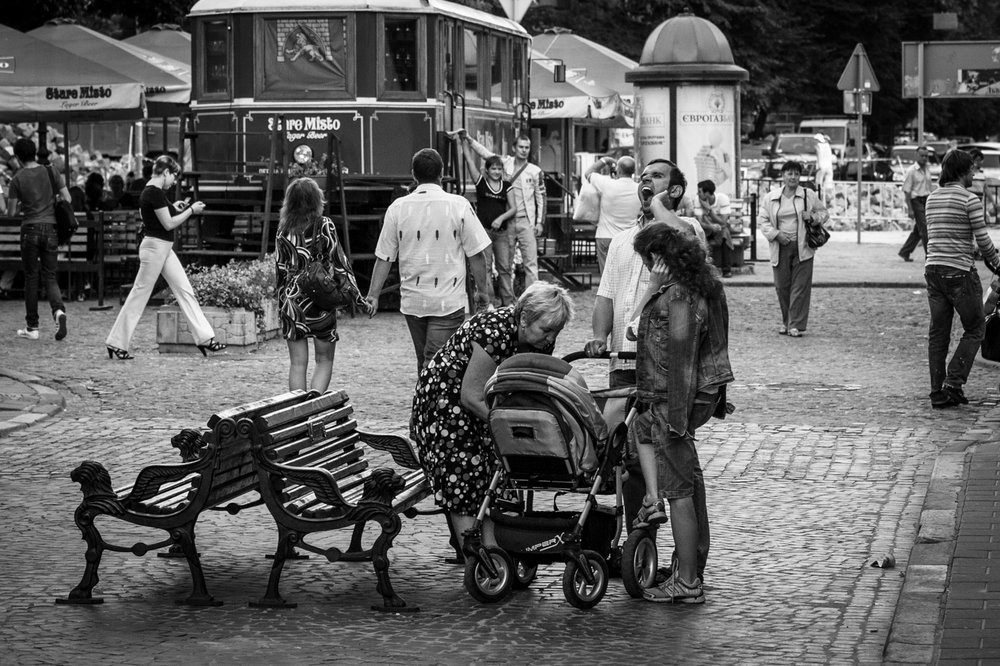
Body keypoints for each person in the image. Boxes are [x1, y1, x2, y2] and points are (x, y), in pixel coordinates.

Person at [585, 158, 711, 581]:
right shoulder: (623, 240)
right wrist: (600, 337)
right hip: (625, 362)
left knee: (678, 465)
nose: (645, 181)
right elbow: (607, 295)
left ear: (673, 191)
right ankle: (640, 549)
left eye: (656, 177)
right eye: (643, 176)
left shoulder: (686, 230)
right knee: (632, 460)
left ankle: (691, 561)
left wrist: (660, 204)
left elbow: (686, 243)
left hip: (666, 369)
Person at [410, 281, 574, 555]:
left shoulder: (539, 338)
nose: (550, 338)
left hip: (483, 404)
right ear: (523, 319)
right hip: (445, 405)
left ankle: (493, 549)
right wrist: (509, 426)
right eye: (546, 330)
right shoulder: (494, 331)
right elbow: (471, 396)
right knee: (462, 477)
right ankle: (474, 555)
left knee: (496, 475)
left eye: (556, 331)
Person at [627, 222, 733, 604]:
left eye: (645, 262)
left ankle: (688, 581)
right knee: (639, 430)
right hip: (672, 397)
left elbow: (682, 362)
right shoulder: (694, 287)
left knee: (680, 490)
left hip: (676, 399)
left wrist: (676, 421)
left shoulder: (678, 298)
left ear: (656, 260)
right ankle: (653, 501)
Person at [365, 148, 492, 374]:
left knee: (427, 361)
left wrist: (373, 295)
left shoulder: (397, 208)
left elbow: (384, 257)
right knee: (434, 363)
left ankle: (426, 405)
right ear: (441, 173)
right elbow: (477, 254)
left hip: (413, 300)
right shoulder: (459, 205)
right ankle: (430, 406)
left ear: (413, 175)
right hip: (449, 299)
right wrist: (482, 292)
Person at [105, 156, 226, 360]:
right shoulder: (154, 193)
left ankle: (205, 338)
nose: (174, 181)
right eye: (174, 176)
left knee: (184, 290)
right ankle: (116, 342)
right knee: (140, 295)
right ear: (166, 172)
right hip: (156, 248)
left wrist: (176, 206)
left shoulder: (153, 192)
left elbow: (161, 217)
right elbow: (169, 224)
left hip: (161, 248)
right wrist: (190, 211)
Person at [275, 177, 375, 392]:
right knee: (324, 360)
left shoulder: (283, 230)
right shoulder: (324, 225)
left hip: (292, 302)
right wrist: (359, 299)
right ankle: (314, 407)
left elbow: (280, 270)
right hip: (320, 300)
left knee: (297, 364)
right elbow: (340, 265)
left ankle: (297, 415)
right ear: (316, 200)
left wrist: (281, 304)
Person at [923, 149, 1000, 408]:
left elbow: (942, 233)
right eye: (972, 170)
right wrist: (998, 264)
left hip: (933, 270)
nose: (975, 173)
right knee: (976, 328)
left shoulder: (932, 198)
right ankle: (954, 382)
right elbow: (984, 241)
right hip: (960, 274)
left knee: (938, 333)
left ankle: (937, 392)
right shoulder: (969, 200)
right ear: (962, 172)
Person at [6, 138, 71, 341]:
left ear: (17, 157)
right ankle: (58, 311)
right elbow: (67, 198)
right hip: (51, 229)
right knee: (50, 276)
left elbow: (10, 212)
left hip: (29, 230)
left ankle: (32, 327)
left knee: (31, 278)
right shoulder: (51, 171)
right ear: (35, 152)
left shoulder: (16, 179)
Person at [464, 131, 546, 289]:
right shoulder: (505, 163)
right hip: (507, 221)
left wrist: (540, 222)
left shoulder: (535, 171)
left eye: (527, 147)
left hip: (526, 220)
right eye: (521, 147)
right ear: (514, 148)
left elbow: (541, 197)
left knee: (531, 262)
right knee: (505, 264)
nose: (524, 150)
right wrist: (469, 140)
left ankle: (532, 298)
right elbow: (485, 154)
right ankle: (507, 299)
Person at [757, 160, 829, 338]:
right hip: (780, 246)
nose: (793, 177)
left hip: (802, 246)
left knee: (800, 287)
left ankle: (795, 324)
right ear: (783, 176)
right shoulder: (771, 197)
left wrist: (812, 217)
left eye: (796, 174)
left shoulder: (808, 195)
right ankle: (786, 321)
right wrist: (775, 234)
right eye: (789, 173)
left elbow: (824, 213)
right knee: (782, 286)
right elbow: (763, 221)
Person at [455, 135, 517, 305]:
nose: (497, 172)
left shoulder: (506, 186)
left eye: (499, 169)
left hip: (501, 232)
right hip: (484, 231)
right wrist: (464, 143)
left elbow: (513, 208)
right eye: (494, 169)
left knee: (504, 268)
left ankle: (508, 301)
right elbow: (469, 162)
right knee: (486, 267)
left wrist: (501, 218)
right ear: (487, 170)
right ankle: (488, 301)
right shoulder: (481, 182)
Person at [584, 155, 641, 274]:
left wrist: (605, 160)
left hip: (605, 236)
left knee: (606, 278)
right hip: (628, 237)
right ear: (633, 171)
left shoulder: (606, 184)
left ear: (618, 170)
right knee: (625, 275)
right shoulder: (638, 189)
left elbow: (588, 172)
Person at [898, 145, 936, 262]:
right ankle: (929, 256)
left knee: (918, 230)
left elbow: (929, 187)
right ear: (916, 156)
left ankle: (905, 251)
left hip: (926, 200)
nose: (924, 158)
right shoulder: (911, 171)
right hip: (916, 201)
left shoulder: (927, 169)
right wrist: (910, 208)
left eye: (926, 156)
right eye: (922, 156)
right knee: (925, 229)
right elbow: (907, 190)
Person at [696, 179, 734, 278]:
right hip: (706, 228)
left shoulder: (722, 199)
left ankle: (726, 270)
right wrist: (711, 226)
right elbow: (700, 222)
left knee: (725, 234)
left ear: (707, 193)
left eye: (700, 191)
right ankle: (703, 270)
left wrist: (709, 210)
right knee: (697, 235)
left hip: (720, 229)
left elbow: (723, 221)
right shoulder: (697, 200)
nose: (698, 193)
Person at [813, 133, 834, 202]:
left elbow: (819, 156)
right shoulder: (828, 145)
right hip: (829, 167)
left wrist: (818, 166)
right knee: (828, 182)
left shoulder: (818, 146)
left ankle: (819, 198)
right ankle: (828, 198)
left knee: (818, 182)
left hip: (821, 167)